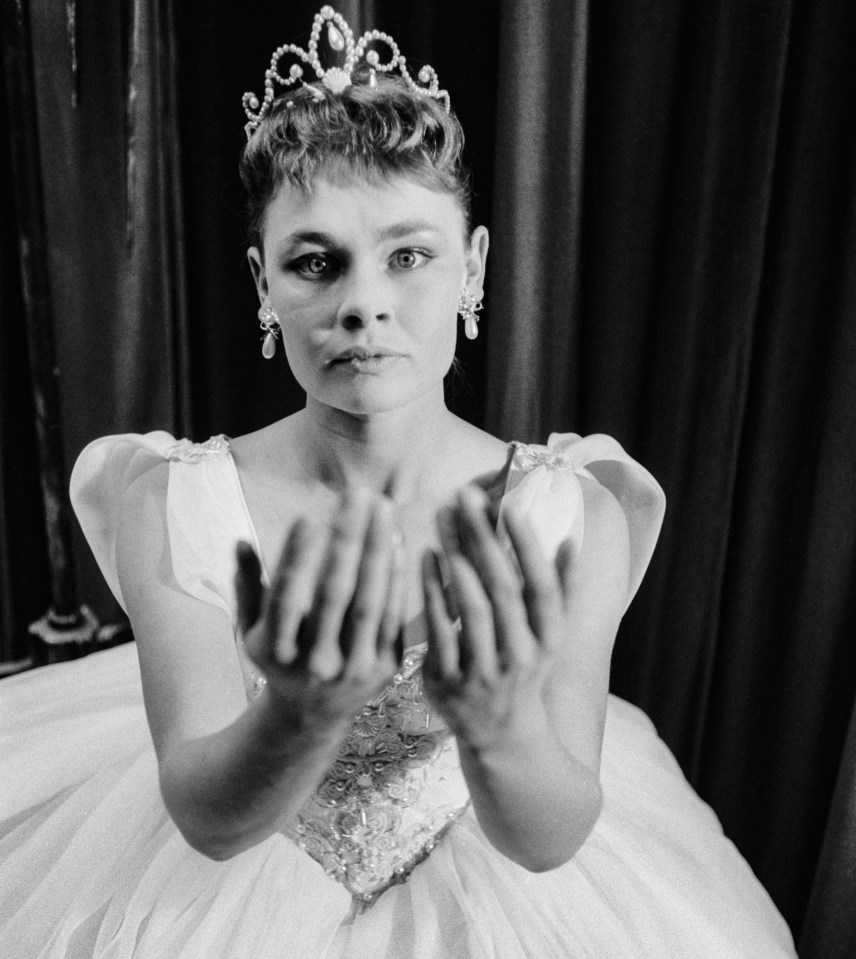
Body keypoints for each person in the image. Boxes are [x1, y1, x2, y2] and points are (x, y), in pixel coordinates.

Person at [0, 7, 797, 957]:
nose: (363, 303)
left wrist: (500, 726)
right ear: (263, 283)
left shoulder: (565, 512)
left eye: (408, 254)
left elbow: (550, 835)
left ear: (476, 266)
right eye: (314, 262)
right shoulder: (174, 502)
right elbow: (208, 820)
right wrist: (294, 716)